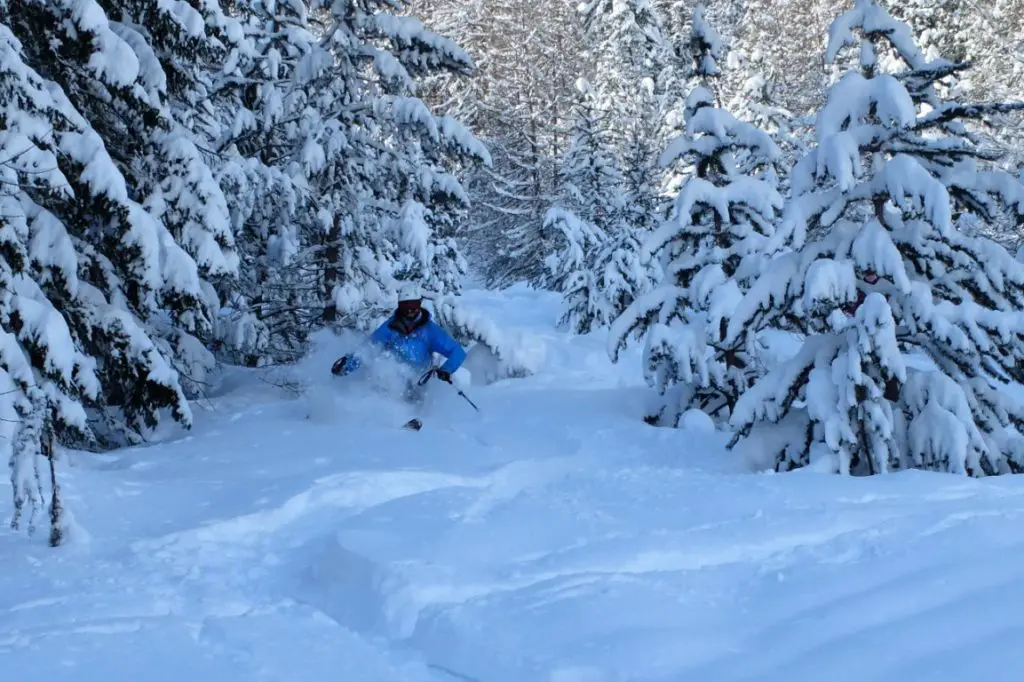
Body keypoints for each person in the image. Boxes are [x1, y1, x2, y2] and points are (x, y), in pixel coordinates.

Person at [331, 284, 466, 403]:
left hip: (418, 382)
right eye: (405, 306)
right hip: (392, 381)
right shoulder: (390, 327)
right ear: (399, 306)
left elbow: (457, 351)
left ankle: (416, 422)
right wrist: (347, 365)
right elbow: (369, 348)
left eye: (413, 306)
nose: (409, 310)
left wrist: (446, 369)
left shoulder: (430, 331)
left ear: (419, 305)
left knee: (413, 400)